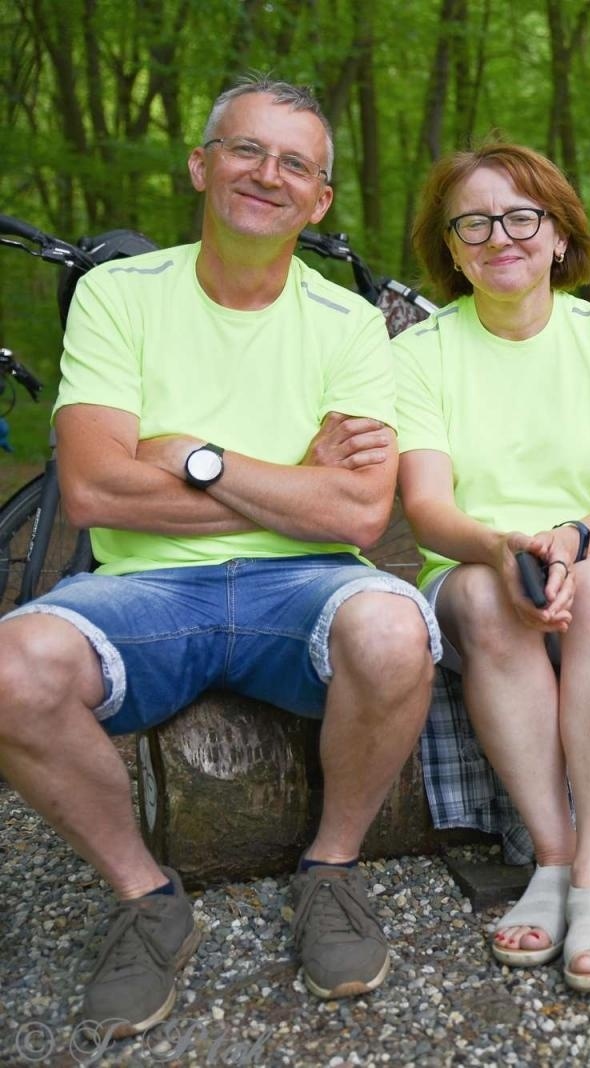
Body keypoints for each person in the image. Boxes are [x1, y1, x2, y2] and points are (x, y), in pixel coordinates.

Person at [0, 80, 440, 1037]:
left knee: (396, 623)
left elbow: (361, 514)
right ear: (202, 165)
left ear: (320, 200)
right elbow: (92, 491)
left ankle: (331, 871)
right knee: (7, 669)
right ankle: (148, 897)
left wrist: (193, 457)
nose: (266, 175)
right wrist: (294, 482)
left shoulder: (351, 325)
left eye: (295, 164)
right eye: (246, 150)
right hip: (142, 588)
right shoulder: (121, 295)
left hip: (309, 586)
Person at [394, 142, 590, 993]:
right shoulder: (420, 353)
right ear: (449, 246)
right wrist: (504, 550)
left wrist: (569, 544)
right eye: (472, 222)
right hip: (476, 560)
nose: (498, 237)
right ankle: (549, 861)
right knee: (484, 600)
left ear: (558, 236)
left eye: (521, 217)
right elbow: (427, 507)